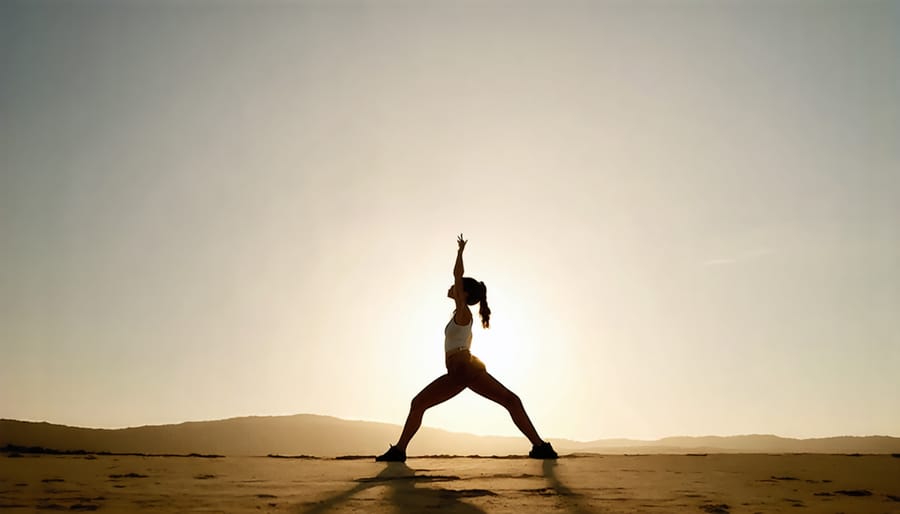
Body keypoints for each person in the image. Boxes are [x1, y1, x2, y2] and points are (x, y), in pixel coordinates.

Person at [376, 234, 557, 462]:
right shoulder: (458, 315)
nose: (451, 287)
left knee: (421, 403)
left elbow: (457, 274)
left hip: (464, 368)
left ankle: (399, 451)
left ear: (465, 294)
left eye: (456, 287)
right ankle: (540, 447)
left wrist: (460, 252)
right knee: (509, 401)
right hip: (461, 371)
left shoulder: (463, 312)